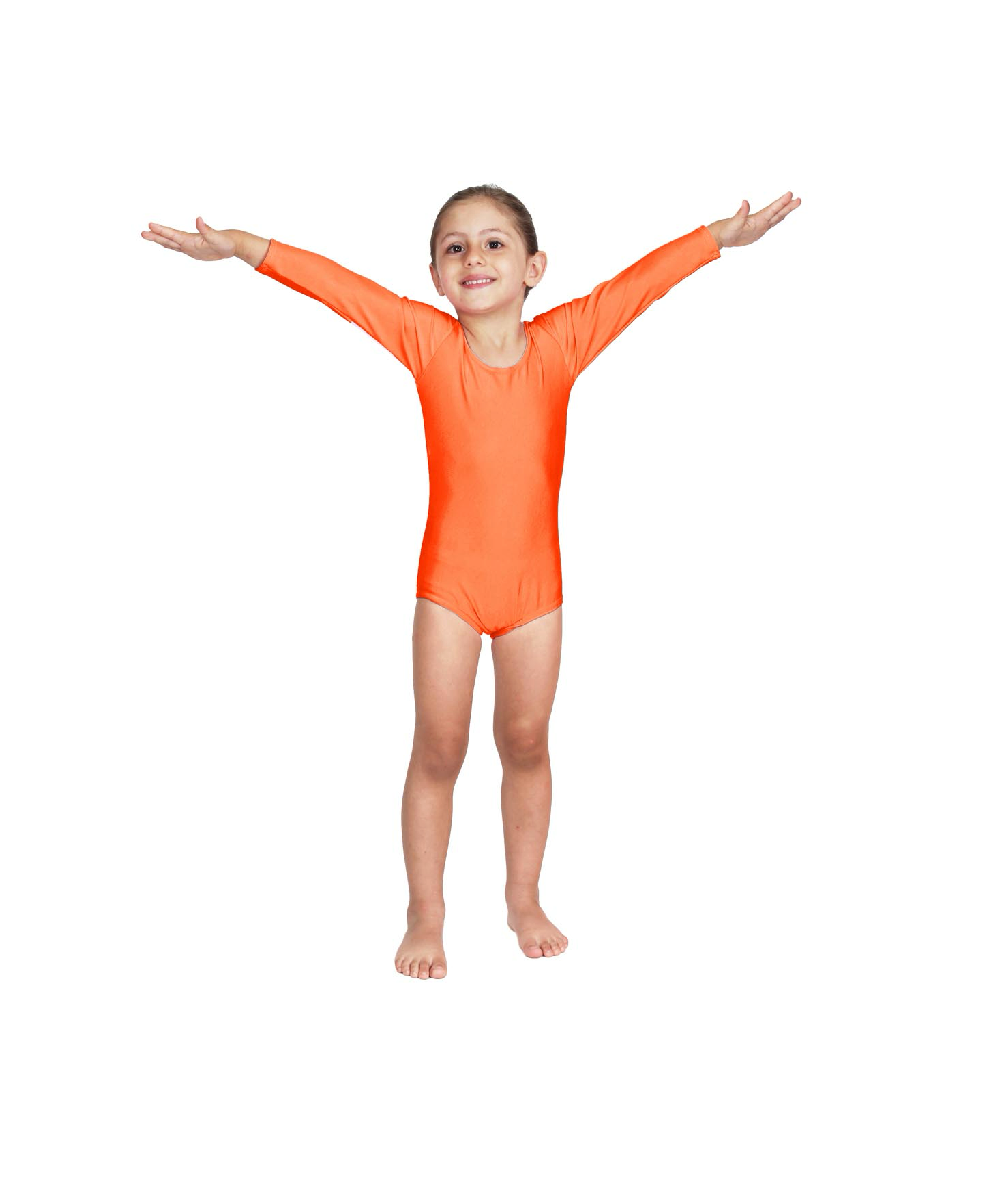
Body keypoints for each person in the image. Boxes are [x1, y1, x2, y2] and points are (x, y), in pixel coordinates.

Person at [142, 185, 801, 980]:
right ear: (434, 276)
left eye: (494, 243)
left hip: (534, 592)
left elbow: (639, 286)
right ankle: (426, 911)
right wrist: (244, 247)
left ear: (534, 268)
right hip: (449, 588)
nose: (474, 258)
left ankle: (524, 898)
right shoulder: (428, 343)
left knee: (526, 741)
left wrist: (719, 237)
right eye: (454, 247)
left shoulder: (564, 342)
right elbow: (340, 288)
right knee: (440, 746)